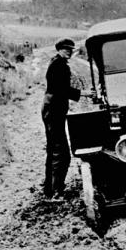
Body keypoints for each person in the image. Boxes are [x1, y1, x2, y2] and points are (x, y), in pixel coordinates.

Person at [42, 38, 85, 199]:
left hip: (53, 110)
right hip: (53, 111)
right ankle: (54, 191)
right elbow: (61, 89)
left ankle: (51, 188)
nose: (69, 51)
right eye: (66, 49)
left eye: (71, 49)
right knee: (60, 153)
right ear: (59, 49)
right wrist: (82, 94)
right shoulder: (58, 65)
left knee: (56, 151)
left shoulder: (57, 63)